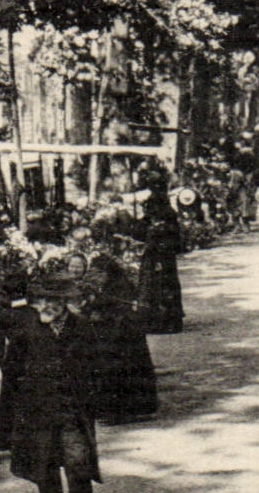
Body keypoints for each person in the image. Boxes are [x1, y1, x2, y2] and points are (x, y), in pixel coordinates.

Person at [0, 276, 103, 493]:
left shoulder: (83, 328)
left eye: (53, 301)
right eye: (42, 300)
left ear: (65, 303)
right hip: (38, 412)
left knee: (78, 464)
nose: (46, 306)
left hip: (71, 412)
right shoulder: (27, 330)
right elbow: (11, 372)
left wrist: (93, 399)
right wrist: (11, 415)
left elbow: (98, 368)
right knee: (45, 466)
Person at [76, 254, 160, 423]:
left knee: (120, 372)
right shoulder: (113, 283)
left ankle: (122, 412)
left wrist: (95, 303)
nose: (98, 276)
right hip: (120, 334)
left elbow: (116, 306)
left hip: (123, 335)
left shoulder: (120, 285)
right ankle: (123, 410)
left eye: (100, 272)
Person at [137, 171, 185, 334]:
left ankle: (161, 320)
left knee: (159, 284)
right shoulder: (161, 203)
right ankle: (167, 320)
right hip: (162, 250)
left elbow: (156, 226)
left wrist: (152, 228)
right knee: (163, 284)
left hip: (159, 249)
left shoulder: (158, 204)